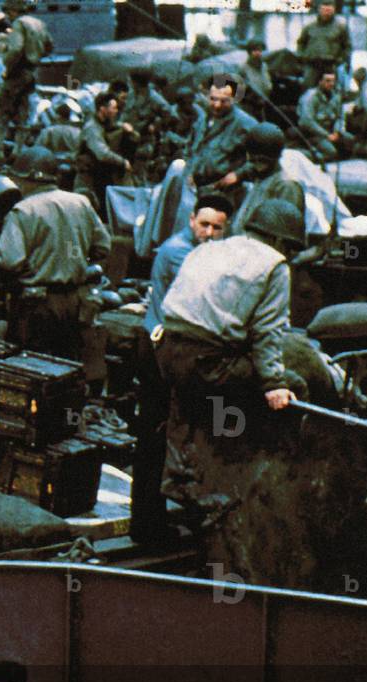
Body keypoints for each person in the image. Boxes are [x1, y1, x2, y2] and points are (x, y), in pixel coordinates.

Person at [131, 193, 232, 544]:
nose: (209, 232)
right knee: (157, 437)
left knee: (169, 435)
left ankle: (157, 517)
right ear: (191, 221)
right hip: (159, 352)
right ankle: (147, 524)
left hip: (173, 350)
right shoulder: (181, 254)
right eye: (203, 224)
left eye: (217, 228)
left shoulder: (205, 252)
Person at [156, 198, 303, 417]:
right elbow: (267, 330)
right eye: (290, 248)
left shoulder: (209, 248)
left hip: (166, 354)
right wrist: (274, 383)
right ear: (278, 240)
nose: (289, 255)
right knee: (295, 385)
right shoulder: (275, 264)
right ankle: (269, 450)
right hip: (206, 366)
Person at [0, 146, 111, 390]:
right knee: (68, 368)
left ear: (26, 179)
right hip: (76, 301)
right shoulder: (80, 203)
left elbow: (8, 260)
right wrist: (73, 262)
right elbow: (102, 248)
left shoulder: (23, 211)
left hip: (37, 305)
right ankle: (67, 421)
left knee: (32, 373)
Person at [0, 0, 52, 159]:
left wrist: (7, 68)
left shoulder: (19, 24)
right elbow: (50, 46)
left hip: (16, 73)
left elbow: (15, 49)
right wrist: (35, 56)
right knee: (23, 112)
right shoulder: (39, 24)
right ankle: (18, 150)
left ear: (13, 11)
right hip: (31, 73)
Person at [185, 80, 258, 206]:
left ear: (234, 100)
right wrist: (189, 170)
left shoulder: (246, 124)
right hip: (195, 190)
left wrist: (239, 175)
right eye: (213, 99)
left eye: (223, 101)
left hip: (225, 193)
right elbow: (190, 148)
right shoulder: (203, 120)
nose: (217, 105)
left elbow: (261, 158)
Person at [230, 122, 305, 236]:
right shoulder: (260, 176)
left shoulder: (286, 186)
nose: (257, 165)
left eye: (262, 160)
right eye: (253, 160)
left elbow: (285, 233)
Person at [75, 92, 131, 214]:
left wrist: (123, 126)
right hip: (88, 180)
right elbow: (102, 154)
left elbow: (113, 127)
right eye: (113, 108)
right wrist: (122, 162)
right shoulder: (92, 128)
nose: (116, 111)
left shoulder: (102, 125)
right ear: (102, 109)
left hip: (99, 178)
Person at [297, 69, 352, 162]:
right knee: (330, 152)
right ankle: (305, 154)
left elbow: (340, 117)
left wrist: (337, 131)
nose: (331, 84)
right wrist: (327, 135)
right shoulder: (310, 97)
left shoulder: (335, 97)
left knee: (350, 141)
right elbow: (307, 122)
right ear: (320, 82)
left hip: (331, 132)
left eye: (333, 81)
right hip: (314, 134)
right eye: (327, 81)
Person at [297, 1, 351, 89]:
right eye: (324, 9)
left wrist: (341, 60)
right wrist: (302, 56)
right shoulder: (309, 27)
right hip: (312, 65)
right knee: (308, 89)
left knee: (331, 90)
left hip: (330, 66)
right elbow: (301, 43)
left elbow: (347, 47)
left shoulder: (341, 28)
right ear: (319, 10)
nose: (326, 13)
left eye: (329, 10)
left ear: (334, 10)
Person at [241, 40, 272, 118]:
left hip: (264, 106)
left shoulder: (264, 66)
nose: (258, 53)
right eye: (255, 51)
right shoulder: (243, 68)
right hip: (249, 108)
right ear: (249, 52)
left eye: (260, 51)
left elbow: (268, 85)